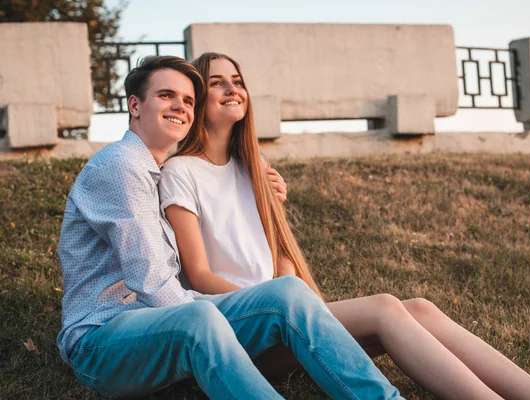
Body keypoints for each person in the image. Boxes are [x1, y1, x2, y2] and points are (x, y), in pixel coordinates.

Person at [159, 52, 530, 400]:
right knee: (385, 307)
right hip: (238, 331)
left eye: (237, 80)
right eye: (216, 83)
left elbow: (279, 256)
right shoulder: (181, 172)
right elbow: (198, 274)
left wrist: (295, 297)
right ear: (197, 100)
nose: (232, 89)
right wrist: (278, 303)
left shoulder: (255, 169)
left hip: (292, 318)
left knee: (420, 309)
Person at [57, 55, 403, 399]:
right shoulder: (122, 165)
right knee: (200, 317)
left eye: (189, 101)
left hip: (163, 325)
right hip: (101, 341)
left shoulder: (155, 175)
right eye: (166, 95)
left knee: (287, 293)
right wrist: (230, 313)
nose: (180, 106)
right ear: (135, 105)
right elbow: (151, 281)